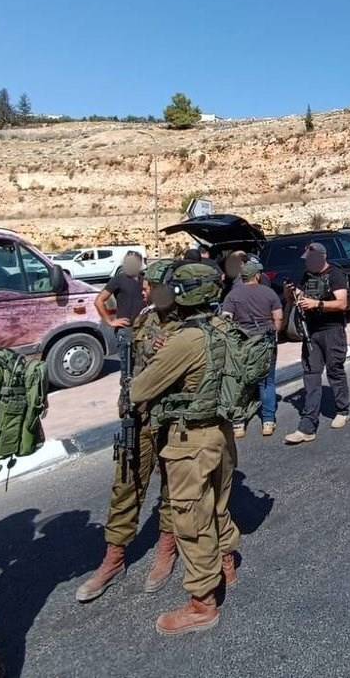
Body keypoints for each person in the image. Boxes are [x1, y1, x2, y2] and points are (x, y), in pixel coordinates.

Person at [130, 263, 238, 635]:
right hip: (222, 434)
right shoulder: (224, 326)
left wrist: (164, 358)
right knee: (219, 506)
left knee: (191, 521)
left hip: (190, 440)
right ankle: (227, 565)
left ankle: (202, 604)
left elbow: (140, 390)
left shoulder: (185, 338)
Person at [76, 259, 184, 603]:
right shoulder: (143, 320)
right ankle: (114, 557)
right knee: (126, 485)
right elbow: (131, 368)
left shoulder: (188, 325)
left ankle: (166, 548)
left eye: (150, 285)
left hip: (172, 417)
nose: (145, 290)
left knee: (172, 486)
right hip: (137, 417)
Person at [285, 242, 350, 444]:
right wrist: (292, 293)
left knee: (334, 370)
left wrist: (318, 304)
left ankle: (343, 410)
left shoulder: (335, 274)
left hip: (332, 330)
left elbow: (342, 303)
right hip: (311, 331)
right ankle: (307, 426)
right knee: (311, 374)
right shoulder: (307, 276)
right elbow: (295, 300)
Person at [223, 257, 283, 438]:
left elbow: (226, 318)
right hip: (265, 342)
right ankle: (268, 421)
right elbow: (278, 317)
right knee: (267, 382)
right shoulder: (269, 293)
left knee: (241, 383)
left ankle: (238, 424)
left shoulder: (232, 295)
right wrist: (274, 334)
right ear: (256, 276)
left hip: (242, 345)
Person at [94, 251, 148, 339]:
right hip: (125, 329)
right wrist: (110, 322)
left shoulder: (145, 280)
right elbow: (99, 301)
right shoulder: (118, 280)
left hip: (143, 328)